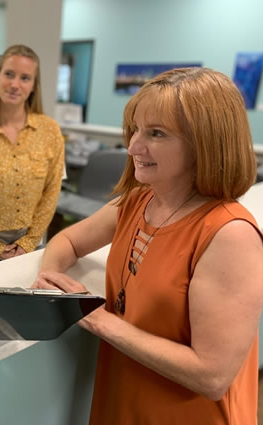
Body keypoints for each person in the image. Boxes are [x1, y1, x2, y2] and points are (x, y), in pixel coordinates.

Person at [34, 67, 263, 424]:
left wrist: (96, 319)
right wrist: (49, 278)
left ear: (206, 142)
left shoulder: (229, 234)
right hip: (124, 397)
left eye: (156, 133)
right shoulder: (137, 201)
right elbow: (67, 239)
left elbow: (212, 376)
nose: (133, 147)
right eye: (136, 129)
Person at [0, 44, 65, 260]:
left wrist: (28, 241)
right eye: (9, 74)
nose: (15, 84)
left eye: (25, 78)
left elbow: (52, 189)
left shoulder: (50, 131)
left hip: (34, 242)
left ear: (34, 85)